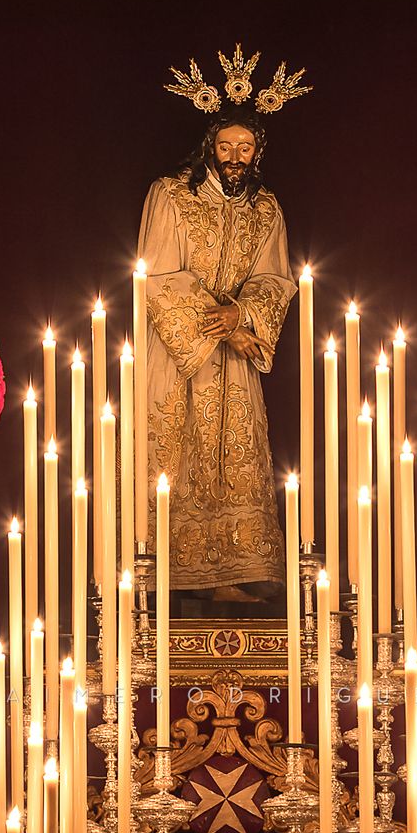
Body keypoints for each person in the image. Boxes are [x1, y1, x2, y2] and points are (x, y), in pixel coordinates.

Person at [139, 48, 308, 602]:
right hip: (177, 354)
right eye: (226, 145)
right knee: (175, 452)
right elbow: (160, 277)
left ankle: (232, 574)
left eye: (246, 147)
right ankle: (164, 576)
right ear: (209, 145)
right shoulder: (171, 196)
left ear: (258, 152)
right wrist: (222, 325)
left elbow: (277, 279)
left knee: (232, 455)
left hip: (236, 364)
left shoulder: (267, 209)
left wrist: (243, 316)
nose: (235, 156)